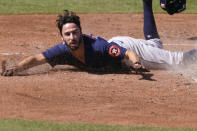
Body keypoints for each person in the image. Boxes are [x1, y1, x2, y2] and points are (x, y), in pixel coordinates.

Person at [1, 0, 196, 76]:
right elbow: (37, 59)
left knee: (176, 60)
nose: (72, 36)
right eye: (67, 34)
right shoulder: (62, 49)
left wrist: (136, 64)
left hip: (124, 46)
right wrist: (15, 69)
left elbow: (128, 53)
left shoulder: (99, 47)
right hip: (121, 44)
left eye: (75, 32)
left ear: (81, 32)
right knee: (155, 46)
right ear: (62, 38)